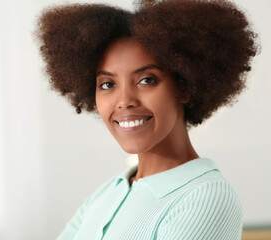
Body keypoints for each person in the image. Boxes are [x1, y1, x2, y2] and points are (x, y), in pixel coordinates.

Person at [35, 0, 258, 239]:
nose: (124, 101)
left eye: (146, 80)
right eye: (108, 84)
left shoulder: (207, 197)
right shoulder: (109, 191)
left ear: (183, 86)